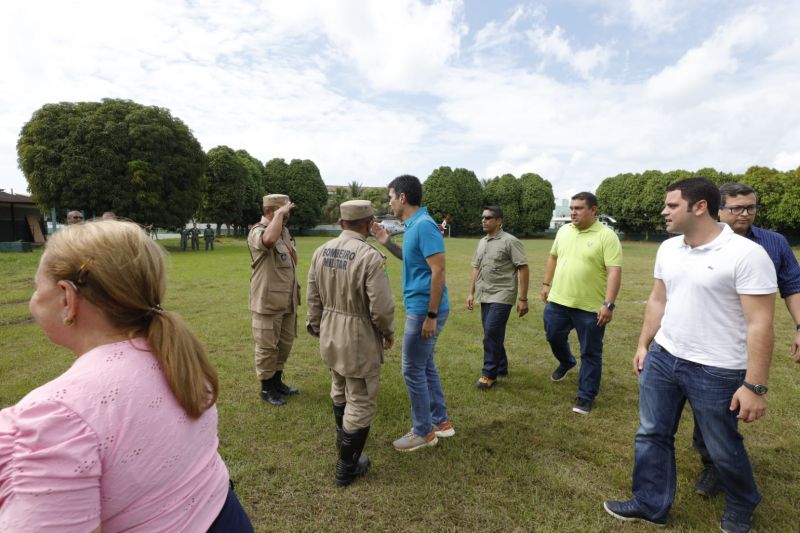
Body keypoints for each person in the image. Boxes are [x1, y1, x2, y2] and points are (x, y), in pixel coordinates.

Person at [0, 220, 252, 532]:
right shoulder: (175, 355)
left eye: (37, 287)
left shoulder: (57, 417)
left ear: (67, 298)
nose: (34, 298)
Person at [603, 177, 776, 533]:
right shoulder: (668, 249)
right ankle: (651, 503)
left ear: (699, 207)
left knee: (721, 446)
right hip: (665, 358)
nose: (664, 211)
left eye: (672, 205)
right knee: (651, 433)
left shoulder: (746, 255)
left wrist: (755, 386)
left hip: (717, 370)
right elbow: (658, 300)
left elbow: (760, 323)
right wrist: (643, 344)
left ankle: (743, 502)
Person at [690, 182, 800, 498]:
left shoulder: (773, 243)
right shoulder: (700, 240)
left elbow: (792, 284)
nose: (745, 214)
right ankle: (711, 455)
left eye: (751, 207)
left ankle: (716, 465)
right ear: (718, 209)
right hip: (703, 337)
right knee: (706, 408)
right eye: (736, 208)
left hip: (747, 341)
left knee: (721, 405)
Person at [306, 200, 395, 487]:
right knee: (361, 396)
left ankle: (342, 443)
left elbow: (313, 296)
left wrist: (318, 325)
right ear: (369, 224)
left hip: (331, 330)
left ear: (342, 223)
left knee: (339, 384)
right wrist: (387, 332)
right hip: (357, 334)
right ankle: (348, 465)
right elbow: (380, 308)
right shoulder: (370, 256)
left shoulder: (320, 252)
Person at [373, 175, 454, 452]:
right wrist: (385, 241)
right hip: (422, 308)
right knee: (425, 364)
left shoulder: (425, 226)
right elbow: (412, 260)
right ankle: (441, 423)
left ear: (403, 197)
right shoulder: (414, 226)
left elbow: (439, 271)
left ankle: (423, 432)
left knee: (412, 369)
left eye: (391, 196)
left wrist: (430, 315)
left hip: (424, 310)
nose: (390, 201)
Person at [541, 191, 622, 414]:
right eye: (572, 208)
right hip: (558, 301)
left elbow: (614, 271)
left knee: (591, 353)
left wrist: (609, 304)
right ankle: (567, 361)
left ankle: (585, 395)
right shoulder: (564, 231)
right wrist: (546, 284)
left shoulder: (606, 236)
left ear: (593, 210)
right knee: (552, 336)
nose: (573, 212)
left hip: (590, 308)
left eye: (578, 208)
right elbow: (553, 257)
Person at [467, 206, 529, 388]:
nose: (483, 220)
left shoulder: (511, 241)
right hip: (484, 293)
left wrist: (523, 298)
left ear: (499, 221)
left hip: (503, 293)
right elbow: (476, 268)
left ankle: (489, 374)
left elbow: (523, 268)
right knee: (490, 332)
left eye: (488, 217)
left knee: (491, 333)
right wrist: (471, 292)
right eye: (483, 217)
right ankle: (501, 366)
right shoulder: (482, 242)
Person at [247, 194, 300, 406]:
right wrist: (279, 215)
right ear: (269, 211)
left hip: (287, 299)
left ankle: (277, 382)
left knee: (284, 344)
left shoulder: (284, 231)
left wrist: (280, 217)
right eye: (282, 211)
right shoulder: (257, 232)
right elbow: (268, 241)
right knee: (267, 346)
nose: (287, 216)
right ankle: (267, 388)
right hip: (267, 301)